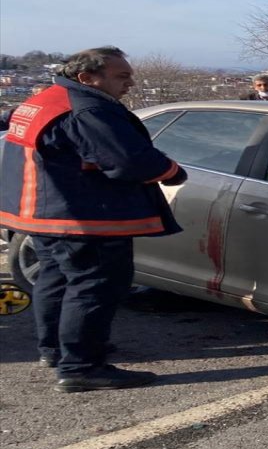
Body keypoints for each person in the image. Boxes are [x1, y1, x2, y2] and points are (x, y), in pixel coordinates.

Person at [0, 46, 186, 391]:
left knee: (55, 281)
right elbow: (128, 161)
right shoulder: (89, 109)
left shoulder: (45, 100)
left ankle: (56, 349)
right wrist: (172, 172)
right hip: (82, 216)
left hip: (43, 214)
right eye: (122, 76)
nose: (131, 82)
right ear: (87, 78)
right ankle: (82, 366)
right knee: (95, 286)